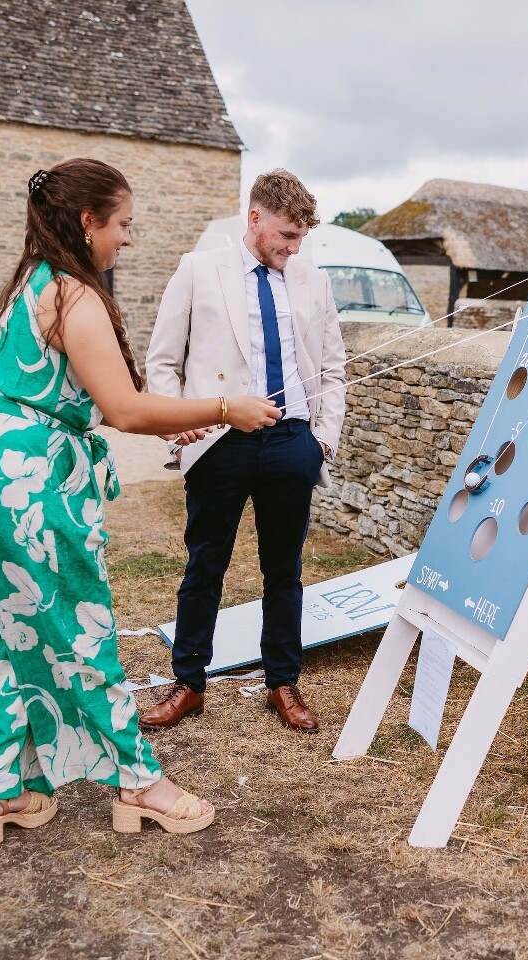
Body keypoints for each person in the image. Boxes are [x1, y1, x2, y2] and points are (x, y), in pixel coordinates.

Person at [0, 159, 280, 850]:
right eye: (123, 225)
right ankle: (138, 784)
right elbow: (124, 409)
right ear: (88, 222)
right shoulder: (76, 296)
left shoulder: (32, 283)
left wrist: (176, 417)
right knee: (82, 630)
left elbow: (99, 401)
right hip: (34, 488)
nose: (128, 240)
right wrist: (227, 406)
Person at [140, 169, 346, 735]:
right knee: (206, 564)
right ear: (254, 219)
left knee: (285, 569)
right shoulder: (197, 269)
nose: (293, 248)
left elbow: (333, 368)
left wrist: (321, 440)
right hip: (217, 441)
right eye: (286, 235)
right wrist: (173, 424)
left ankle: (283, 681)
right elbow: (162, 361)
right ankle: (188, 683)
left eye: (301, 239)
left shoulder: (314, 282)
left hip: (291, 442)